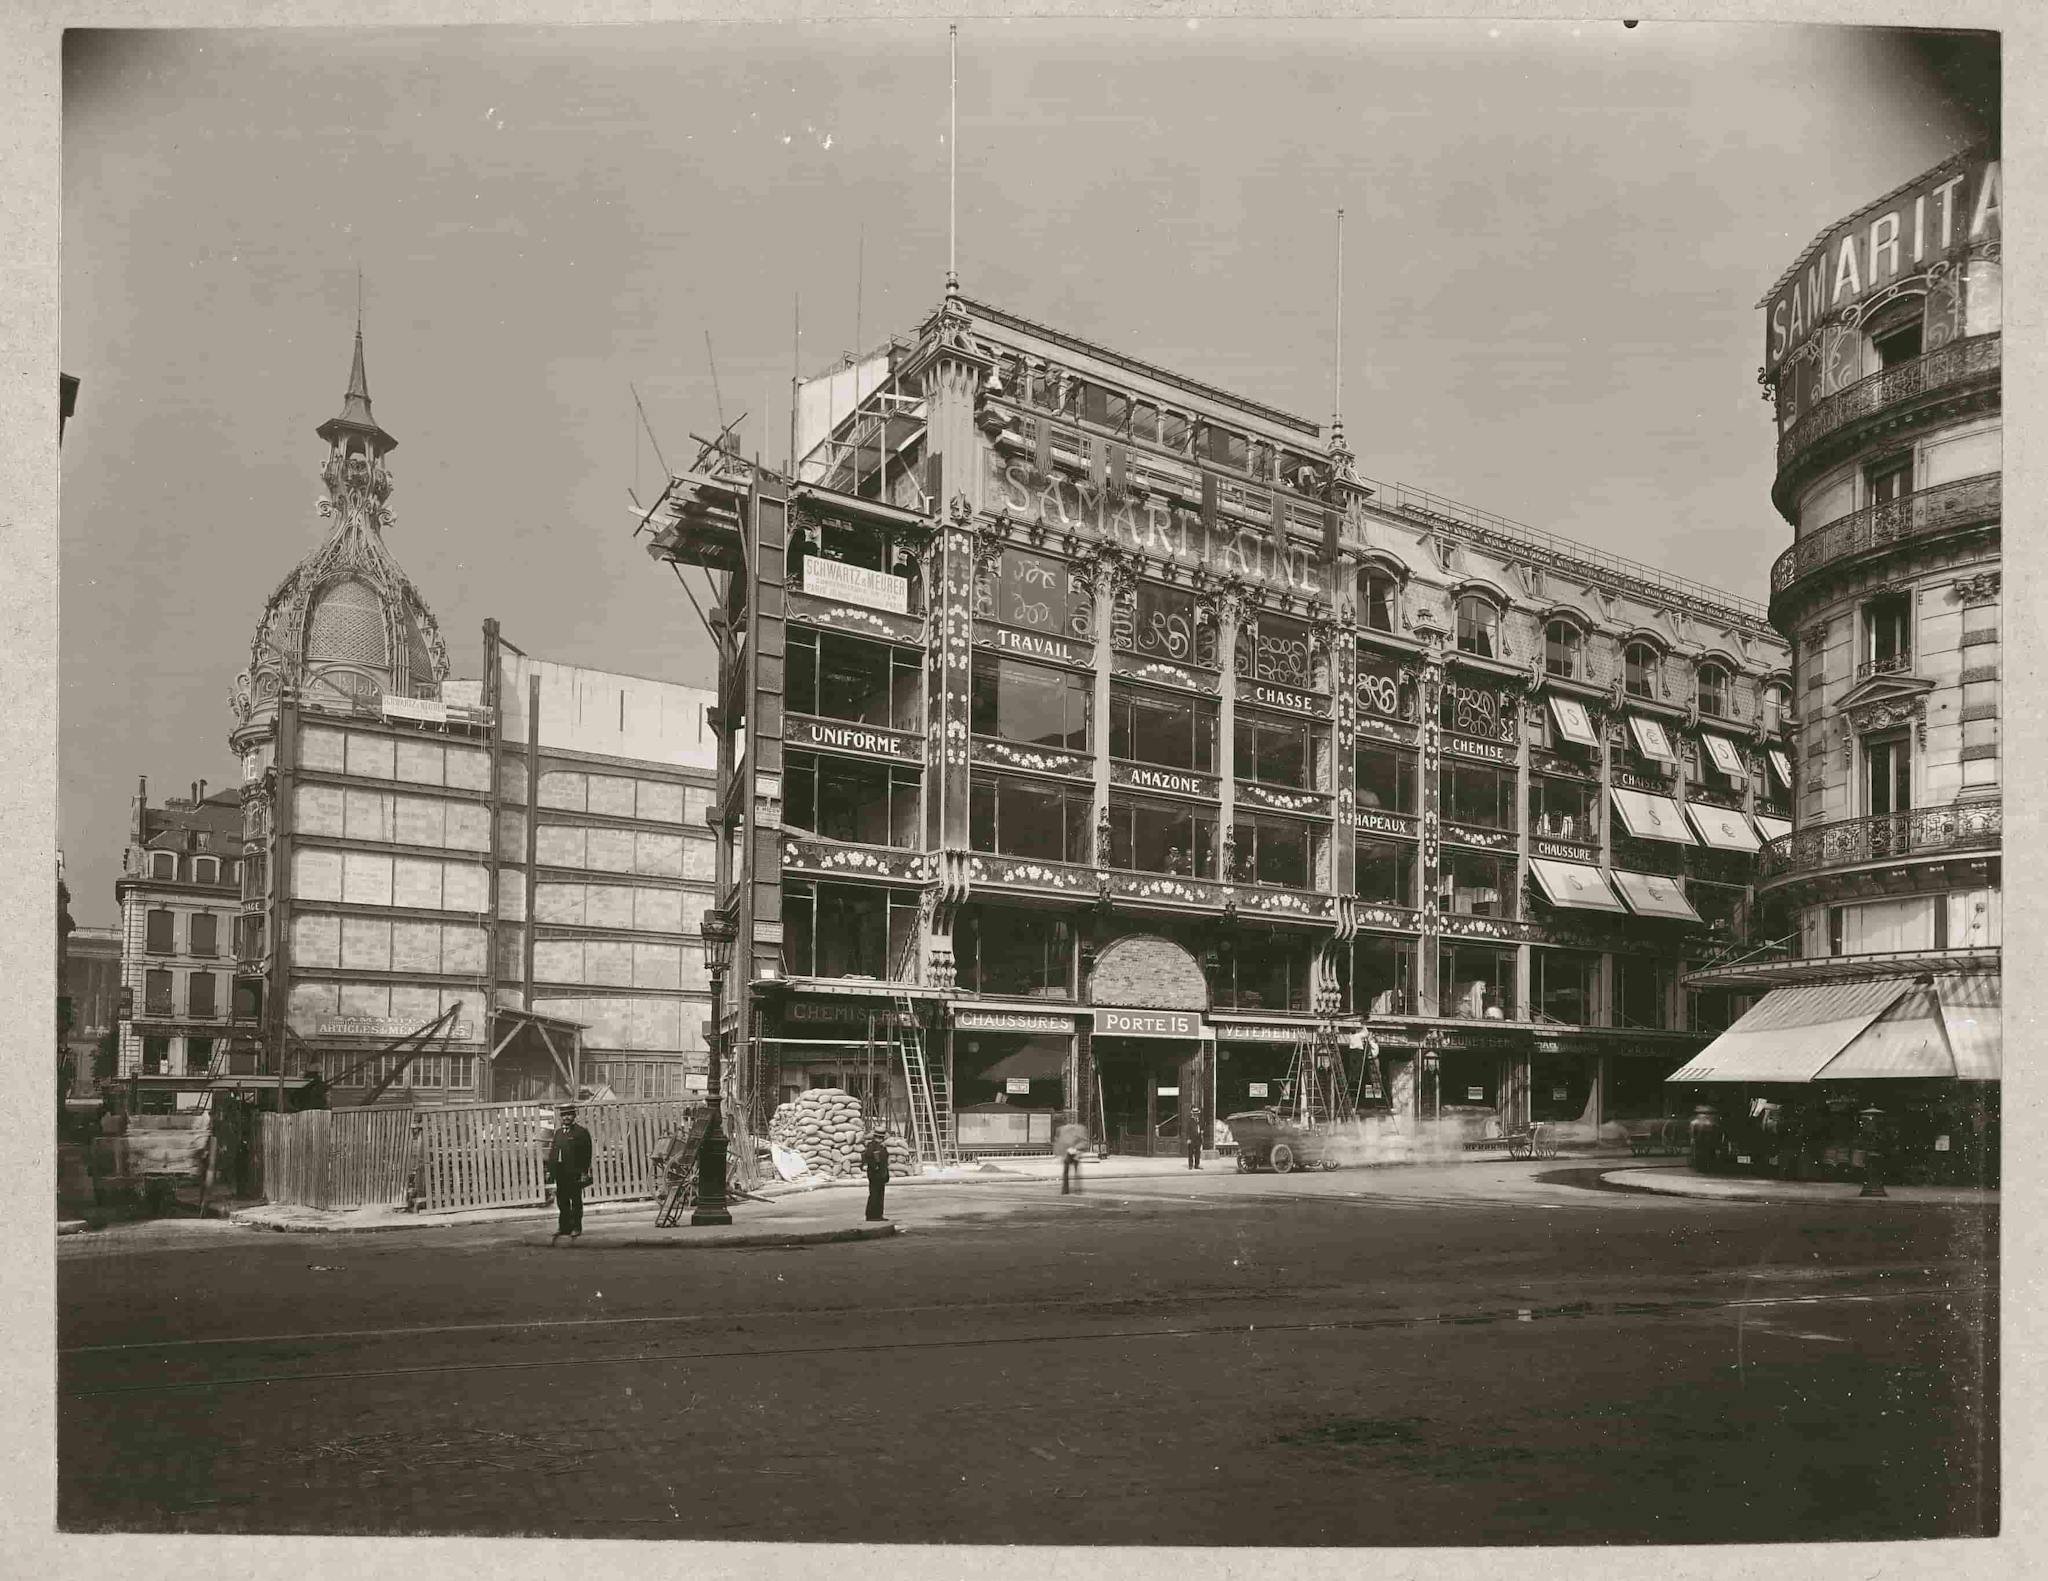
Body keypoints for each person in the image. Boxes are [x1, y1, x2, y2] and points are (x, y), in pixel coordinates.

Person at [548, 1103, 594, 1244]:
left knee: (576, 1200)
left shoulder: (581, 1132)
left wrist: (584, 1172)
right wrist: (551, 1171)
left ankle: (576, 1227)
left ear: (574, 1116)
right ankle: (564, 1227)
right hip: (561, 1172)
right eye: (564, 1115)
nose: (566, 1117)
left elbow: (587, 1154)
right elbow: (553, 1154)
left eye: (569, 1114)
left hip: (574, 1172)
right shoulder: (558, 1133)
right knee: (562, 1201)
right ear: (561, 1117)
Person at [860, 1128, 892, 1222]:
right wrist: (875, 1167)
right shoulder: (872, 1146)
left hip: (881, 1175)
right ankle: (871, 1216)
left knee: (880, 1195)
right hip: (875, 1175)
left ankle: (878, 1215)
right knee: (874, 1195)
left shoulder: (881, 1146)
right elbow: (868, 1157)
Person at [1184, 1106, 1204, 1170]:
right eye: (1195, 1113)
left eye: (1197, 1113)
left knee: (1198, 1152)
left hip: (1198, 1138)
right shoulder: (1190, 1121)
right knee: (1190, 1152)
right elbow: (1187, 1130)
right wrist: (1188, 1139)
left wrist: (1202, 1131)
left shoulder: (1200, 1121)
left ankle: (1197, 1165)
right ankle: (1190, 1165)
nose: (1196, 1115)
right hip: (1192, 1139)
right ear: (1192, 1114)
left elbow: (1202, 1127)